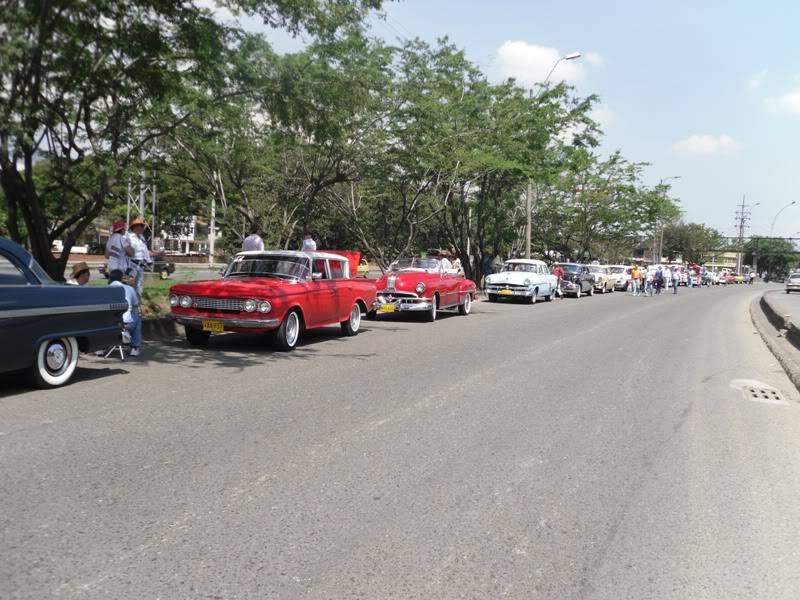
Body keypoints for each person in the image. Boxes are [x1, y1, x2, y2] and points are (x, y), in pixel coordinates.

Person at [108, 269, 142, 357]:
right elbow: (136, 304)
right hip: (125, 323)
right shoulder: (129, 289)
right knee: (138, 318)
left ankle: (100, 349)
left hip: (108, 324)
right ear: (121, 278)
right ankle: (134, 348)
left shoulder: (105, 289)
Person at [127, 218, 151, 298]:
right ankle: (130, 302)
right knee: (131, 284)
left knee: (139, 285)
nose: (142, 228)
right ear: (135, 227)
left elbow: (146, 252)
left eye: (142, 226)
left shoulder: (142, 238)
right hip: (132, 264)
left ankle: (138, 303)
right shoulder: (128, 237)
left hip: (141, 265)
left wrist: (156, 254)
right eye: (140, 226)